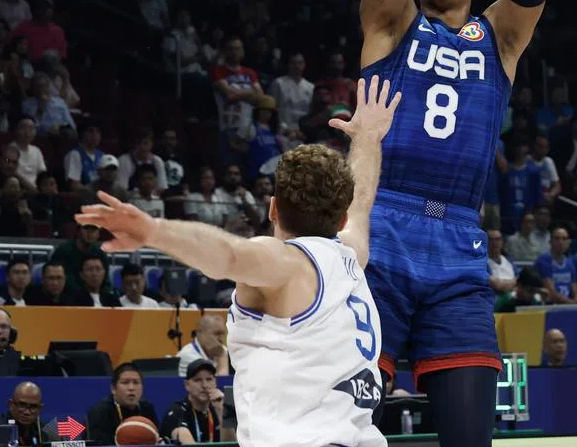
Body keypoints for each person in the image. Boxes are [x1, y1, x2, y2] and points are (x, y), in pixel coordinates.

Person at [358, 0, 553, 446]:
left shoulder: (500, 37)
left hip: (461, 245)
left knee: (470, 437)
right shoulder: (390, 23)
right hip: (378, 229)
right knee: (345, 427)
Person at [77, 76, 399, 447]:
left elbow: (228, 255)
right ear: (340, 219)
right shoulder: (352, 252)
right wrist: (368, 139)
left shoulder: (288, 265)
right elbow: (361, 198)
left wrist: (153, 230)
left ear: (273, 208)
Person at [86, 363, 159, 446]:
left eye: (136, 382)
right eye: (125, 382)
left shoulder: (147, 408)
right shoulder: (100, 412)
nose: (131, 388)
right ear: (113, 389)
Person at [160, 359, 225, 444]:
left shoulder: (218, 408)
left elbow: (232, 443)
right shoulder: (177, 411)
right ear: (187, 385)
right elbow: (185, 438)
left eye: (209, 379)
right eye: (197, 380)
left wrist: (222, 412)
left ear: (215, 382)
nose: (205, 385)